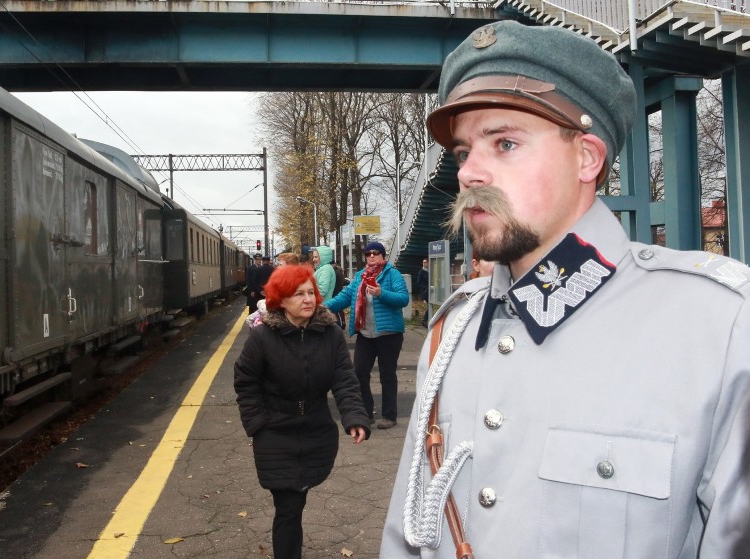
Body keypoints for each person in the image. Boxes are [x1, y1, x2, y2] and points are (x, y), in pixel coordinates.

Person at [381, 20, 750, 559]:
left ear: (587, 158)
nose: (468, 173)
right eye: (463, 153)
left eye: (504, 143)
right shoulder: (451, 331)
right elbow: (408, 534)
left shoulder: (717, 328)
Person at [234, 265, 371, 559]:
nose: (308, 299)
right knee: (289, 506)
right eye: (298, 294)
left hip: (316, 430)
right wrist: (257, 424)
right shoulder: (262, 338)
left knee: (299, 496)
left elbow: (344, 380)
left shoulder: (330, 334)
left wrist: (354, 417)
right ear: (280, 300)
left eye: (311, 292)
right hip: (275, 432)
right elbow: (246, 382)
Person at [325, 241, 410, 430]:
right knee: (359, 374)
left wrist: (381, 293)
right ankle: (366, 412)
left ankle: (389, 415)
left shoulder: (392, 274)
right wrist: (322, 308)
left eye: (376, 253)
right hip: (366, 334)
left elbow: (403, 299)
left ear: (383, 256)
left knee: (387, 375)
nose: (372, 256)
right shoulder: (360, 277)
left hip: (389, 334)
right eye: (368, 253)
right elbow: (345, 297)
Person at [416, 258, 429, 327]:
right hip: (425, 292)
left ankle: (426, 320)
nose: (424, 263)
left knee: (430, 306)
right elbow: (418, 283)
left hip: (430, 291)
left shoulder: (430, 270)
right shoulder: (421, 271)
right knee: (429, 306)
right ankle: (424, 321)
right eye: (423, 262)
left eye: (425, 262)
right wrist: (425, 288)